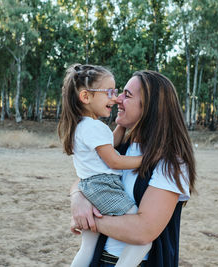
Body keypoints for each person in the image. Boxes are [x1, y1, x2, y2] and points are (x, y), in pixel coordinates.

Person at [69, 70, 197, 267]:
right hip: (98, 261)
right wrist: (77, 199)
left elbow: (144, 231)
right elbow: (87, 178)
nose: (118, 99)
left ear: (151, 108)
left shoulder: (171, 162)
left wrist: (88, 221)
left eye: (127, 95)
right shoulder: (120, 146)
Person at [58, 64, 152, 267]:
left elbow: (110, 144)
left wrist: (122, 123)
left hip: (90, 187)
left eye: (117, 92)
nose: (115, 98)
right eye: (109, 92)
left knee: (88, 248)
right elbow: (114, 160)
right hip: (105, 187)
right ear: (86, 97)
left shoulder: (83, 126)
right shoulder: (94, 126)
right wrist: (149, 159)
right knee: (142, 240)